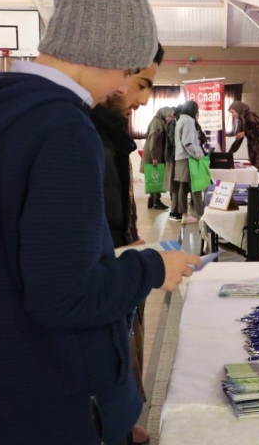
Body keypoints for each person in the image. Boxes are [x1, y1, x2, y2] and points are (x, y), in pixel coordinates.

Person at [0, 0, 201, 445]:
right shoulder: (64, 130)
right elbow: (64, 297)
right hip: (59, 401)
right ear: (108, 53)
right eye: (127, 72)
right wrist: (152, 268)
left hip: (7, 392)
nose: (122, 90)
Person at [90, 41, 164, 445]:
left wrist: (127, 239)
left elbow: (113, 202)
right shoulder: (79, 134)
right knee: (106, 347)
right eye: (140, 83)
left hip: (117, 254)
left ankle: (117, 420)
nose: (140, 98)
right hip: (103, 268)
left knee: (124, 339)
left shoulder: (109, 135)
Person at [171, 100, 205, 224]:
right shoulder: (189, 121)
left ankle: (184, 214)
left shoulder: (180, 120)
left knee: (183, 187)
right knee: (196, 187)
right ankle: (202, 215)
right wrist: (196, 155)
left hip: (180, 157)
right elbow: (188, 142)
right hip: (188, 158)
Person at [142, 106, 173, 210]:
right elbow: (153, 141)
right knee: (156, 177)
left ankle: (151, 201)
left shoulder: (158, 121)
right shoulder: (158, 123)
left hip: (153, 153)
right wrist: (154, 157)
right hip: (153, 154)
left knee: (153, 177)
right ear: (163, 114)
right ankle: (156, 201)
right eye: (169, 116)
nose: (170, 118)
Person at [227, 101, 259, 171]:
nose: (232, 115)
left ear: (238, 109)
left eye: (232, 112)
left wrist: (244, 133)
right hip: (253, 150)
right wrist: (228, 155)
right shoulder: (241, 121)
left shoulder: (251, 116)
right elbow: (238, 140)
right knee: (254, 171)